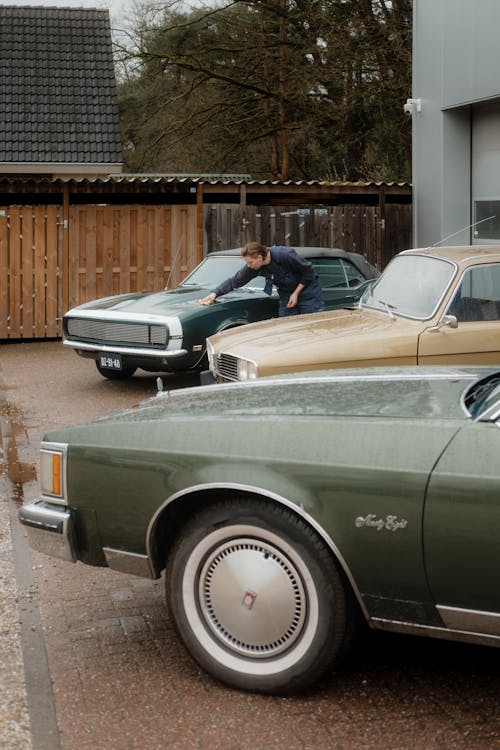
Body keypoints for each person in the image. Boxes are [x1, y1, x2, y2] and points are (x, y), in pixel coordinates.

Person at [200, 242, 324, 316]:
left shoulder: (285, 255)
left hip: (308, 291)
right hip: (287, 293)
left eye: (250, 262)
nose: (248, 266)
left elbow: (308, 271)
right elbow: (235, 281)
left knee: (310, 325)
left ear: (259, 257)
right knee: (287, 325)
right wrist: (215, 294)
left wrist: (296, 293)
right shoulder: (254, 267)